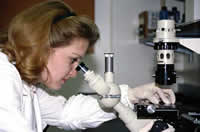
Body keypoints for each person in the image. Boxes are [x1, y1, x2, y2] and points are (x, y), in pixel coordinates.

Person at [0, 0, 176, 132]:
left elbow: (66, 113)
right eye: (72, 60)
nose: (74, 72)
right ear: (42, 47)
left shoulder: (29, 86)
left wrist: (132, 95)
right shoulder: (3, 76)